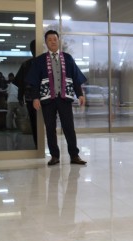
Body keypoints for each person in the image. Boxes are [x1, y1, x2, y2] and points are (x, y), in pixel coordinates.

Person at [26, 30, 87, 166]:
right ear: (46, 43)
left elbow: (75, 78)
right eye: (49, 40)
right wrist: (35, 98)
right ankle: (54, 156)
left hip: (64, 98)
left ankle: (74, 155)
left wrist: (80, 94)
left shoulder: (68, 58)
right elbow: (35, 81)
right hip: (48, 99)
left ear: (58, 41)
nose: (53, 42)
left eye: (55, 39)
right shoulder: (40, 60)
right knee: (50, 128)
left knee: (69, 127)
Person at [14, 40, 38, 147]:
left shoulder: (26, 64)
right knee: (36, 122)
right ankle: (39, 145)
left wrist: (20, 97)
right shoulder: (26, 65)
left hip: (33, 98)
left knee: (35, 122)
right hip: (33, 98)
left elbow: (20, 83)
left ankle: (39, 144)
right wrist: (20, 97)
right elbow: (21, 82)